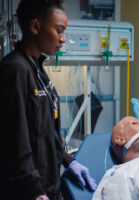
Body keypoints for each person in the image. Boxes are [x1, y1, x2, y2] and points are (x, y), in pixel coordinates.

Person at [0, 0, 97, 199]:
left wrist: (69, 161)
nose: (63, 39)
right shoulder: (15, 69)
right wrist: (35, 192)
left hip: (48, 186)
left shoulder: (37, 69)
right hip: (26, 192)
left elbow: (47, 131)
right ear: (35, 26)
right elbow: (14, 140)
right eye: (59, 31)